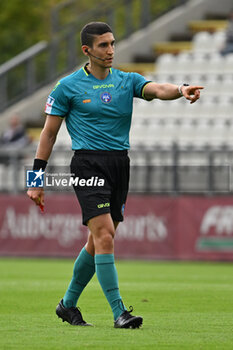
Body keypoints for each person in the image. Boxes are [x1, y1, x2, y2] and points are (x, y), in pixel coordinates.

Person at [27, 22, 203, 329]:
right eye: (103, 46)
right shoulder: (67, 86)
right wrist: (36, 180)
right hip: (87, 165)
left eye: (112, 44)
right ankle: (119, 312)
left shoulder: (126, 80)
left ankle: (67, 305)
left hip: (120, 165)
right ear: (87, 51)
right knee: (105, 236)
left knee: (97, 241)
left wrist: (180, 89)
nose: (110, 50)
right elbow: (49, 133)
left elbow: (157, 89)